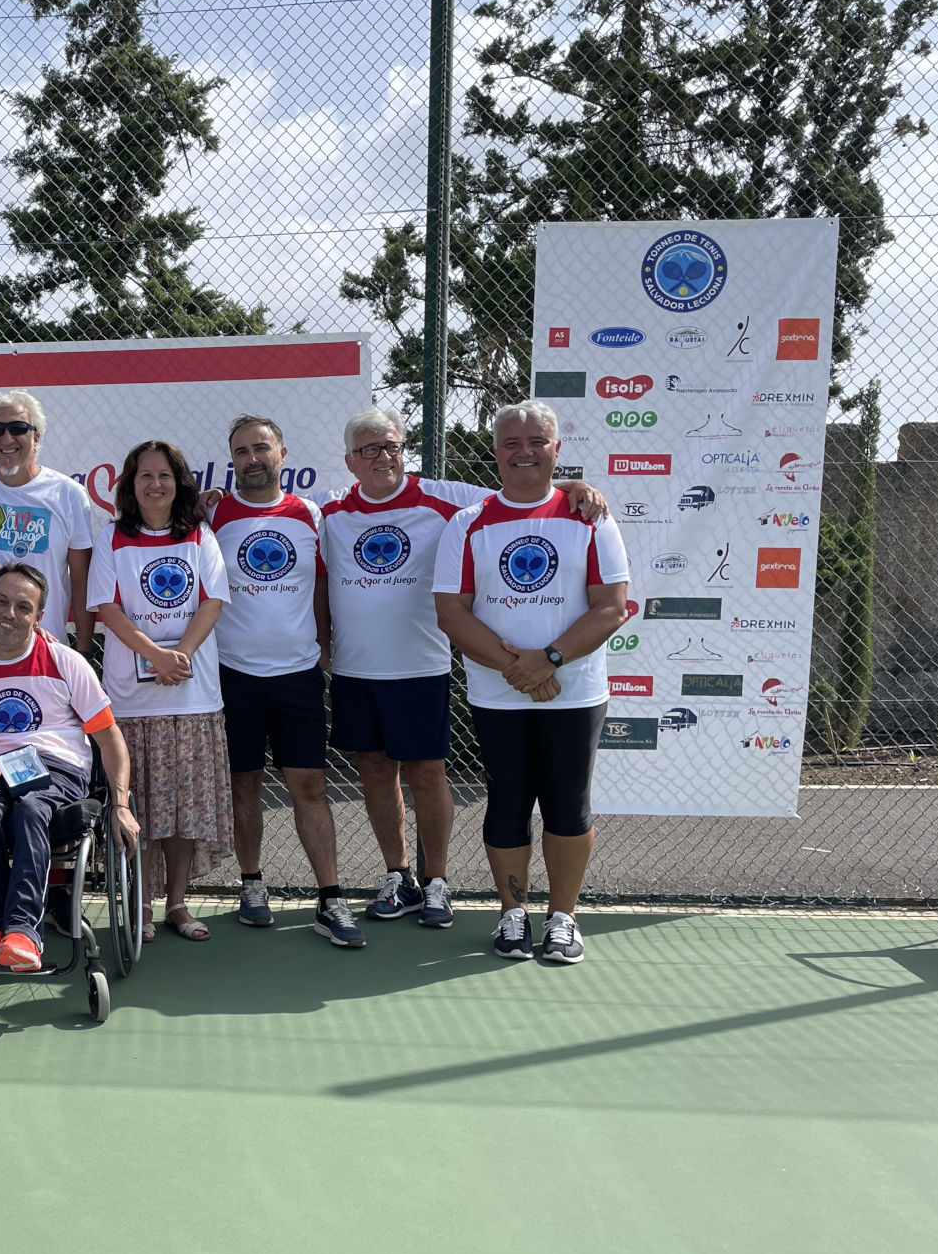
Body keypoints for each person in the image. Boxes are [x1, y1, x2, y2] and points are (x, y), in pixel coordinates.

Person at [322, 407, 606, 930]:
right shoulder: (329, 512)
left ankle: (437, 883)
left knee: (428, 776)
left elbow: (521, 490)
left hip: (421, 667)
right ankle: (398, 876)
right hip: (356, 671)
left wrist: (574, 486)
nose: (383, 458)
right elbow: (269, 512)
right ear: (350, 461)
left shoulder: (447, 498)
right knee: (376, 775)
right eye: (369, 450)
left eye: (391, 446)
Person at [432, 399, 629, 966]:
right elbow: (453, 612)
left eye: (536, 442)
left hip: (575, 689)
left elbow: (610, 607)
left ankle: (562, 919)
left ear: (556, 450)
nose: (524, 453)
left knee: (569, 805)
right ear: (495, 453)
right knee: (508, 803)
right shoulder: (467, 524)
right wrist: (520, 669)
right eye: (511, 443)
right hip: (499, 693)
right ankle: (512, 914)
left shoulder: (590, 517)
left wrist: (550, 659)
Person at [0, 564, 137, 970]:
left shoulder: (65, 661)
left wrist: (120, 804)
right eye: (1, 602)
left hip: (58, 768)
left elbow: (110, 739)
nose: (10, 614)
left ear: (38, 616)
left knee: (32, 806)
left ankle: (22, 931)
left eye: (23, 607)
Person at [207, 415, 353, 942]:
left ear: (282, 454)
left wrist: (324, 650)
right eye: (242, 451)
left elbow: (322, 589)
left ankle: (331, 899)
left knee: (309, 787)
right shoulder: (212, 514)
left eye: (261, 448)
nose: (252, 459)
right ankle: (251, 884)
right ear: (233, 460)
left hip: (298, 675)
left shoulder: (311, 514)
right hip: (233, 675)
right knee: (243, 784)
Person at [88, 441, 230, 942]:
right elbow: (107, 608)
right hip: (132, 700)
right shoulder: (111, 539)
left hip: (192, 696)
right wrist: (154, 655)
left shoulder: (199, 535)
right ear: (129, 486)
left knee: (184, 808)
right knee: (142, 807)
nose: (155, 485)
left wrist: (180, 656)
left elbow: (213, 601)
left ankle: (177, 904)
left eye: (165, 475)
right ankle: (141, 907)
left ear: (179, 482)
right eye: (144, 476)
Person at [0, 389, 97, 651]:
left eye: (17, 428)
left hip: (44, 652)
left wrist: (83, 652)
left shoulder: (68, 494)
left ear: (36, 436)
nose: (7, 438)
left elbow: (82, 582)